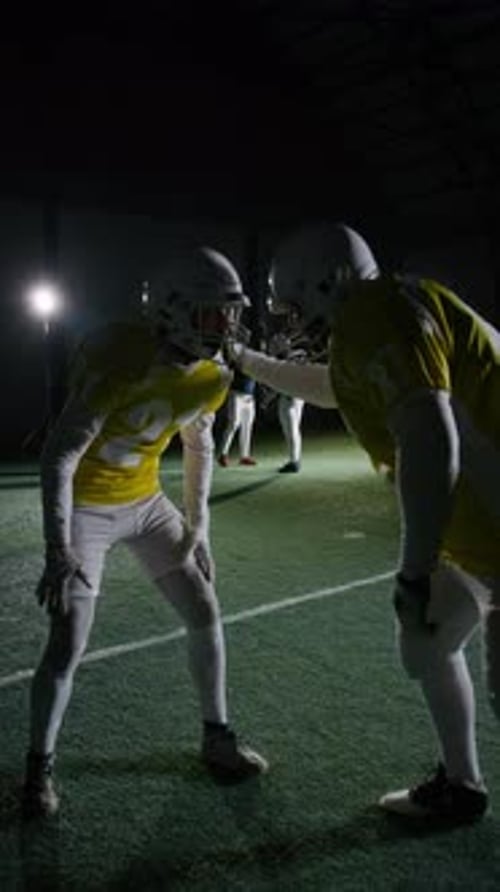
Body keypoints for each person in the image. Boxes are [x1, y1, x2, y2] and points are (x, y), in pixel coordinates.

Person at [228, 221, 500, 823]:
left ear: (329, 283)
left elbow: (430, 437)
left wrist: (415, 568)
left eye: (296, 305)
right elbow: (334, 387)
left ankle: (462, 784)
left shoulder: (377, 314)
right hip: (483, 539)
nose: (295, 322)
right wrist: (246, 360)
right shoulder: (386, 311)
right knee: (426, 641)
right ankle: (461, 786)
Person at [23, 245, 269, 818]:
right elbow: (60, 454)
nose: (226, 326)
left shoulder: (212, 374)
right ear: (172, 309)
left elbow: (199, 444)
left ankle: (217, 736)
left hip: (144, 501)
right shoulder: (121, 356)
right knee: (68, 640)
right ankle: (38, 767)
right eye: (214, 313)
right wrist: (58, 547)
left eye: (231, 313)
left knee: (204, 610)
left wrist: (198, 525)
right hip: (86, 507)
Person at [217, 368, 257, 467]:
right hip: (236, 394)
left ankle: (245, 456)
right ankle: (223, 454)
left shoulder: (253, 364)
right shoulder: (237, 364)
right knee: (233, 423)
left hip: (249, 397)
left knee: (247, 426)